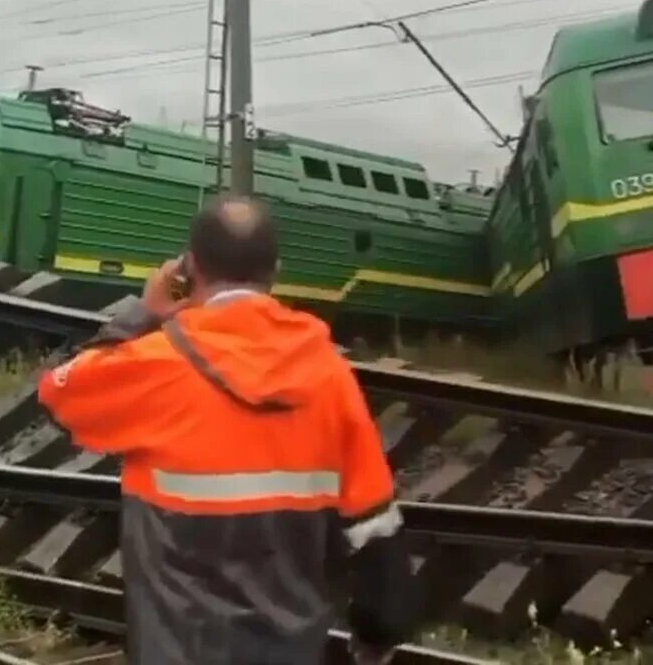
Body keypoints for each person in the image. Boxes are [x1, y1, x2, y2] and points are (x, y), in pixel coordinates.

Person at [37, 195, 416, 665]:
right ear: (275, 269)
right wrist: (378, 634)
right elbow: (375, 525)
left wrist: (146, 310)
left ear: (189, 268)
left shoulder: (158, 363)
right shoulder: (330, 375)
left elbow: (59, 394)